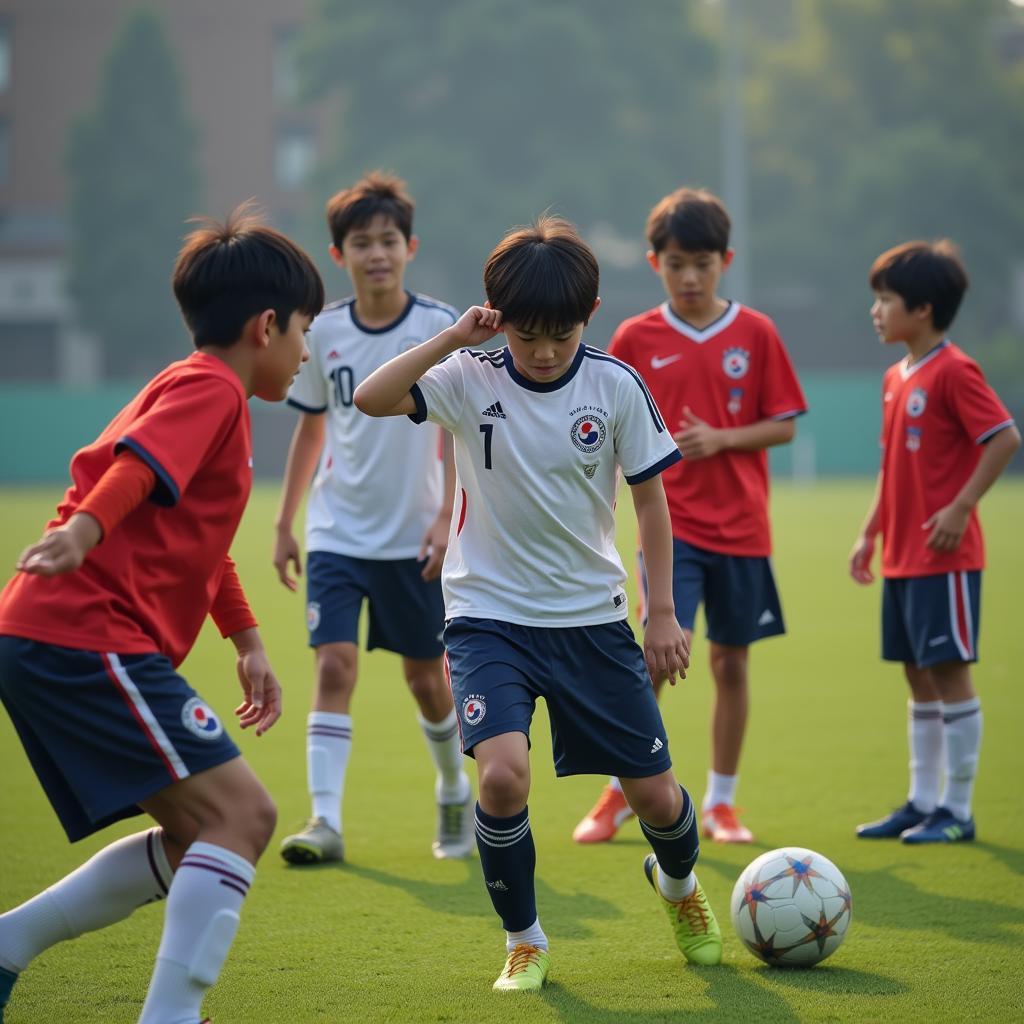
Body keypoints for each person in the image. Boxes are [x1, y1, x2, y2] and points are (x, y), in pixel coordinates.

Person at [354, 215, 723, 992]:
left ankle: (681, 888)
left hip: (592, 620)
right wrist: (453, 339)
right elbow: (370, 396)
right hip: (488, 618)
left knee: (656, 797)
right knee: (502, 779)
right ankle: (525, 939)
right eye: (528, 335)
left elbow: (651, 503)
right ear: (499, 321)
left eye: (561, 333)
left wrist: (660, 613)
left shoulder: (615, 385)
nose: (546, 350)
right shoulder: (467, 376)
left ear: (587, 317)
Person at [0, 205, 324, 1024]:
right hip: (82, 634)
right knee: (244, 815)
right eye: (304, 330)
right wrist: (82, 528)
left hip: (56, 636)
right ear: (266, 325)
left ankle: (6, 947)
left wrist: (246, 639)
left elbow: (199, 541)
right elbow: (136, 471)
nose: (307, 350)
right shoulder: (211, 388)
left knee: (197, 838)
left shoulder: (199, 391)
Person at [573, 187, 806, 847]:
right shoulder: (636, 337)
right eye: (677, 263)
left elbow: (784, 426)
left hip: (743, 530)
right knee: (651, 658)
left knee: (731, 665)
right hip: (670, 534)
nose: (691, 276)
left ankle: (721, 804)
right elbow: (605, 425)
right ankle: (621, 791)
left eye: (703, 262)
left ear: (725, 260)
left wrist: (724, 439)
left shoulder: (756, 332)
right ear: (655, 263)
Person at [274, 171, 472, 865]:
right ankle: (324, 821)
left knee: (427, 678)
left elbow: (455, 427)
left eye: (388, 240)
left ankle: (454, 789)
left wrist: (449, 514)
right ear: (339, 255)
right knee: (334, 664)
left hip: (413, 532)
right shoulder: (322, 331)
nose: (377, 253)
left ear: (409, 247)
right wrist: (284, 521)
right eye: (362, 243)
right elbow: (310, 429)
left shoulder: (437, 328)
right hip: (336, 532)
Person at [851, 240, 1019, 844]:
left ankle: (958, 808)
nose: (875, 309)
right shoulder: (897, 376)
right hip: (902, 554)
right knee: (917, 675)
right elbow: (890, 466)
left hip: (944, 557)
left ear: (921, 309)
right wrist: (870, 532)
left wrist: (961, 505)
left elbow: (1003, 439)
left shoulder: (954, 370)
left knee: (949, 674)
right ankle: (922, 801)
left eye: (885, 298)